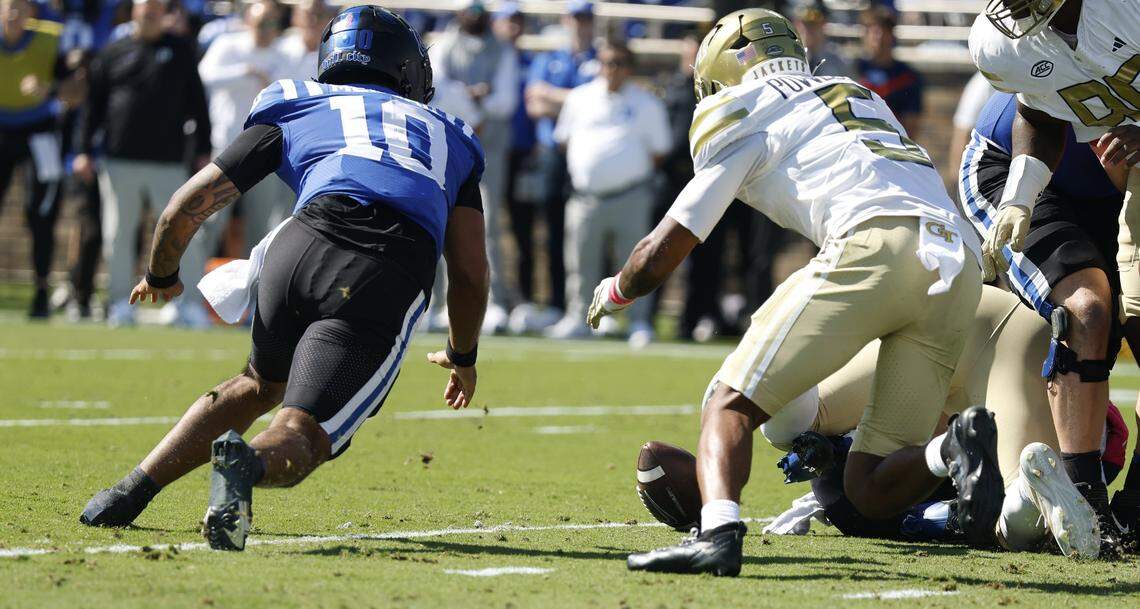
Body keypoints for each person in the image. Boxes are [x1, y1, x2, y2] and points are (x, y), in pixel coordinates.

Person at [78, 5, 490, 553]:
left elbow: (184, 208)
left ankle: (129, 490)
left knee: (257, 384)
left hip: (294, 249)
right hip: (380, 264)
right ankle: (242, 465)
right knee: (300, 433)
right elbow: (468, 272)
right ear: (408, 71)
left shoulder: (297, 101)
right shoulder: (453, 135)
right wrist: (463, 355)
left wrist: (162, 274)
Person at [589, 9, 987, 576]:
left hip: (876, 241)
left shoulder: (741, 107)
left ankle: (719, 533)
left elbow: (668, 245)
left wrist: (619, 290)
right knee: (868, 487)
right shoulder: (853, 88)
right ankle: (951, 448)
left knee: (727, 403)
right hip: (957, 258)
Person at [757, 286, 1105, 558]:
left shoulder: (848, 489)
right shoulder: (839, 475)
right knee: (786, 417)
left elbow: (933, 512)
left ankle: (1020, 485)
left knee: (1014, 526)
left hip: (962, 339)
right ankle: (1026, 488)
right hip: (995, 317)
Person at [969, 0, 1140, 553]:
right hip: (1024, 175)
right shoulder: (1005, 40)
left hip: (1122, 186)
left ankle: (1134, 502)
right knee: (1086, 310)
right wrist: (1019, 197)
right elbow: (1038, 117)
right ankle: (1086, 505)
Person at [73, 0, 211, 327]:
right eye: (144, 6)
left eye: (155, 6)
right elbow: (93, 107)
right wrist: (82, 150)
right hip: (119, 161)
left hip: (169, 162)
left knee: (180, 232)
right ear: (134, 10)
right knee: (118, 234)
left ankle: (186, 304)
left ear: (164, 12)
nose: (149, 11)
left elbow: (198, 106)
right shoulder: (114, 51)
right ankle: (121, 302)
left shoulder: (181, 51)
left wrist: (202, 150)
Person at [545, 40, 669, 347]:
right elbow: (563, 141)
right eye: (606, 62)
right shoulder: (579, 98)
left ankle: (639, 322)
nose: (611, 69)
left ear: (629, 68)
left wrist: (622, 170)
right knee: (580, 263)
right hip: (585, 196)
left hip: (630, 196)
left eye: (618, 63)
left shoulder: (647, 103)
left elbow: (659, 151)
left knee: (639, 264)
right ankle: (578, 318)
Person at [429, 0, 518, 333]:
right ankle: (437, 304)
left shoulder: (502, 50)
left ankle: (492, 303)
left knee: (489, 226)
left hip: (488, 149)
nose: (475, 17)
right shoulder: (444, 44)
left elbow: (504, 102)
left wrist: (467, 98)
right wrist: (473, 96)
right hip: (446, 147)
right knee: (438, 222)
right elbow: (436, 89)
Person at [197, 0, 294, 268]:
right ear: (248, 21)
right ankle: (189, 297)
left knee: (261, 227)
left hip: (267, 152)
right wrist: (246, 73)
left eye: (271, 23)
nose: (265, 29)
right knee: (210, 220)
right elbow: (204, 75)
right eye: (260, 23)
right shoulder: (228, 44)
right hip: (225, 148)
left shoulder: (284, 55)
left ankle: (252, 299)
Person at [0, 0, 77, 318]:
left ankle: (42, 291)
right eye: (9, 8)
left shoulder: (52, 38)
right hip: (2, 131)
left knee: (40, 212)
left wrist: (49, 88)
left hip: (40, 133)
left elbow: (75, 90)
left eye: (21, 8)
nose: (15, 15)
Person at [524, 0, 597, 316]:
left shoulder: (599, 60)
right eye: (576, 18)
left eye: (585, 19)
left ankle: (590, 305)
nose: (580, 24)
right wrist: (580, 101)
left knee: (589, 233)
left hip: (588, 156)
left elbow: (598, 105)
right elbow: (533, 104)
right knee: (552, 232)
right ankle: (555, 303)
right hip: (554, 156)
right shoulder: (550, 59)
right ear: (566, 20)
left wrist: (554, 97)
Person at [855, 6, 923, 139]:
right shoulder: (854, 70)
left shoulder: (908, 77)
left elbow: (911, 125)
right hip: (858, 143)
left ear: (892, 35)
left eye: (883, 31)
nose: (878, 37)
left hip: (893, 145)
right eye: (873, 31)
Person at [791, 0, 850, 78]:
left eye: (813, 24)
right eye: (804, 24)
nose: (808, 30)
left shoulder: (838, 62)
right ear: (796, 24)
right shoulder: (789, 58)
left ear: (824, 24)